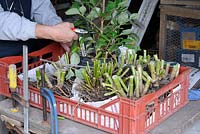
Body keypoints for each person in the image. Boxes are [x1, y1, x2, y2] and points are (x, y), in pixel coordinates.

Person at [0, 0, 78, 57]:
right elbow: (3, 22)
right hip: (3, 58)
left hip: (28, 54)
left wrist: (58, 27)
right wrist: (50, 32)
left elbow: (41, 7)